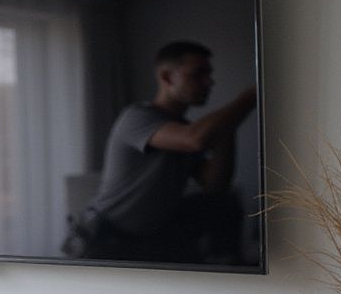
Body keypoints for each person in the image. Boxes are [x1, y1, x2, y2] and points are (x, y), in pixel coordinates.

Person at [63, 40, 257, 264]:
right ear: (166, 77)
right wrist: (248, 98)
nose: (209, 82)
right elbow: (194, 139)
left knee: (222, 204)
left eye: (209, 73)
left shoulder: (181, 127)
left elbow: (215, 184)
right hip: (106, 238)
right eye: (198, 73)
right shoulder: (137, 116)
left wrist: (227, 127)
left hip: (150, 237)